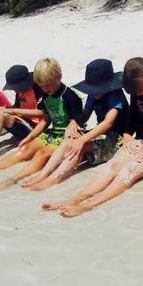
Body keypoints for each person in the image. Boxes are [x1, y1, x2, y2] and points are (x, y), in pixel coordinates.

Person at [43, 57, 143, 217]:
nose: (139, 95)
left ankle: (89, 205)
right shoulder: (136, 90)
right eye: (135, 93)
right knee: (111, 167)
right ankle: (75, 199)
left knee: (129, 171)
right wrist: (127, 135)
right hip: (141, 142)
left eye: (141, 91)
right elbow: (132, 120)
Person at [22, 58, 128, 191]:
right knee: (70, 139)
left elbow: (108, 123)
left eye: (97, 89)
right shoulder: (93, 94)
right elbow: (85, 114)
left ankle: (55, 178)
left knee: (80, 145)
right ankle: (45, 174)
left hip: (117, 140)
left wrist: (83, 139)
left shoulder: (116, 95)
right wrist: (74, 123)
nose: (94, 92)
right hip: (102, 134)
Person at [0, 58, 81, 189]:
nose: (45, 89)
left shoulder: (70, 96)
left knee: (42, 153)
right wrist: (30, 137)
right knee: (25, 148)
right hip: (53, 132)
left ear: (59, 76)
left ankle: (12, 180)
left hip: (67, 136)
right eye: (42, 86)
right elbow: (46, 120)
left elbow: (77, 124)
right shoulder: (46, 94)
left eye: (48, 84)